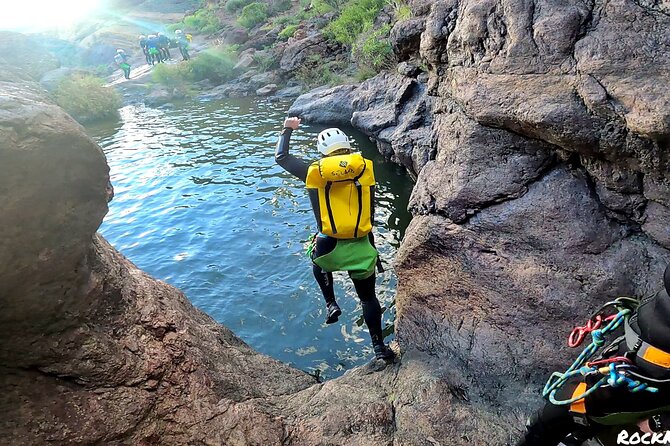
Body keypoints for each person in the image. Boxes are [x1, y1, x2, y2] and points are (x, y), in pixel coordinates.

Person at [274, 117, 395, 362]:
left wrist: (288, 129)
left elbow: (282, 157)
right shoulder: (366, 167)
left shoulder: (314, 172)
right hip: (362, 241)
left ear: (322, 152)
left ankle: (331, 303)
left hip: (329, 243)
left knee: (316, 261)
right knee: (368, 298)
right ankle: (379, 346)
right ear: (348, 147)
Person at [517, 264, 670, 445]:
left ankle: (583, 429)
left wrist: (660, 422)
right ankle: (583, 430)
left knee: (552, 416)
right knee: (577, 411)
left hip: (648, 379)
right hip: (634, 354)